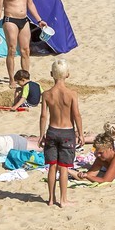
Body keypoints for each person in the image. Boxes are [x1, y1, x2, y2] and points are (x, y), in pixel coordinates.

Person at [0, 0, 47, 93]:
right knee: (11, 49)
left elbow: (30, 3)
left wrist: (39, 20)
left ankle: (25, 78)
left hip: (24, 19)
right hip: (10, 20)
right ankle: (11, 78)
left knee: (26, 50)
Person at [39, 60, 82, 207]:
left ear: (51, 74)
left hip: (52, 130)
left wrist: (41, 134)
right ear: (67, 75)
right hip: (67, 132)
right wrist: (81, 133)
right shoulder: (71, 94)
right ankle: (63, 199)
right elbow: (76, 115)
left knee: (52, 166)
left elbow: (43, 116)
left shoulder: (46, 94)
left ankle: (51, 199)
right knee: (63, 167)